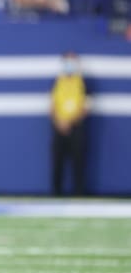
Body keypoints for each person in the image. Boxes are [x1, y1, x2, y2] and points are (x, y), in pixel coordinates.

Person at [50, 51, 89, 196]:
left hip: (76, 127)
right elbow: (52, 105)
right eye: (67, 61)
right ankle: (56, 193)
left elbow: (86, 107)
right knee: (57, 160)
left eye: (72, 61)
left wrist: (70, 122)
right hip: (59, 126)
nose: (69, 65)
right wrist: (59, 122)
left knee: (78, 160)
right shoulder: (58, 82)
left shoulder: (83, 83)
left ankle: (79, 193)